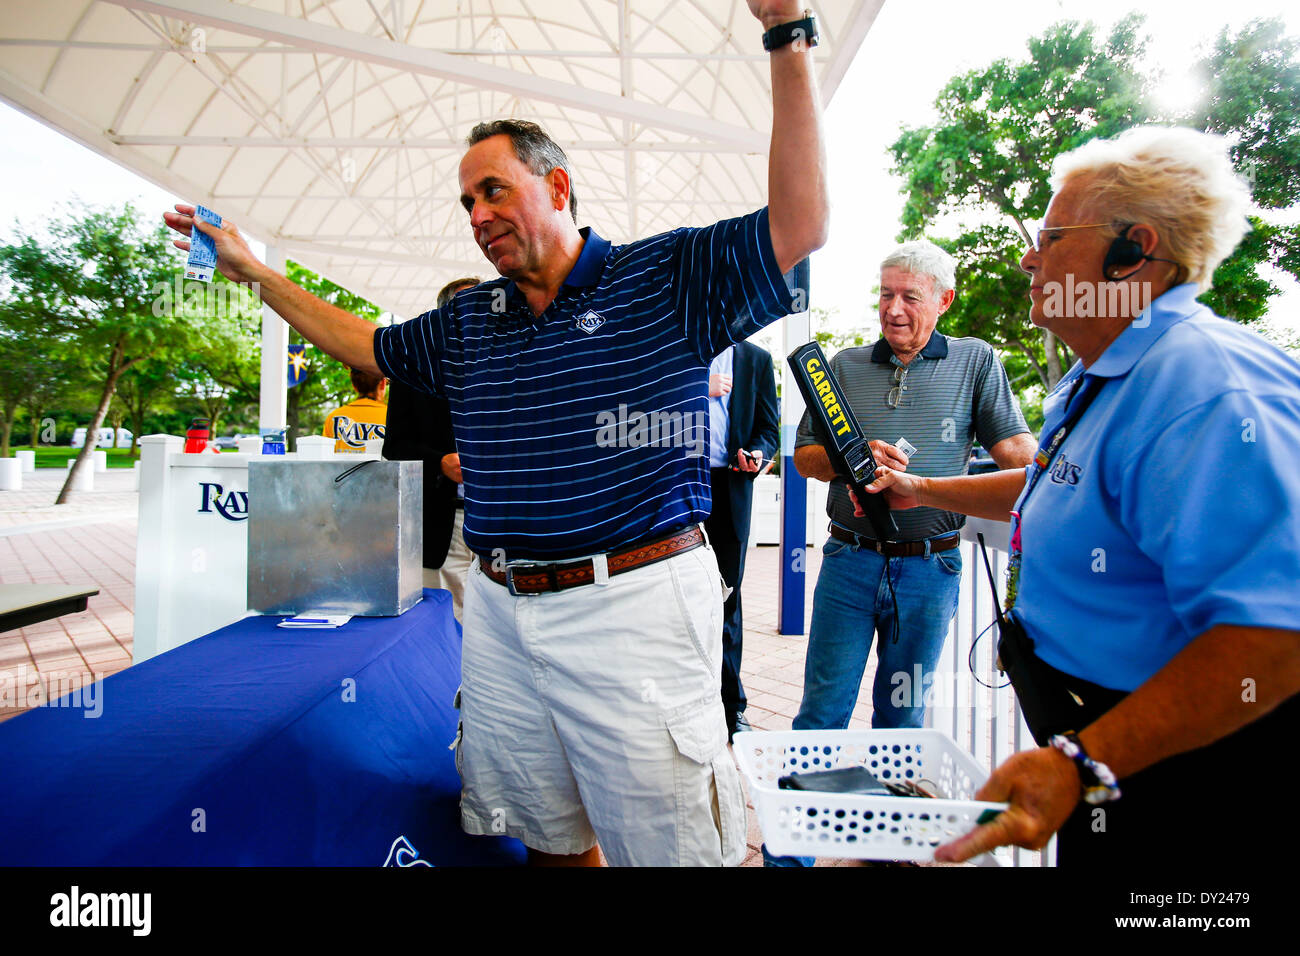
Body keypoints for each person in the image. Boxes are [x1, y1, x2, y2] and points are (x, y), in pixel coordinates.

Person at [163, 0, 828, 867]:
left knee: (667, 851)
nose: (476, 215)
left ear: (556, 186)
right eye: (466, 202)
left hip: (635, 609)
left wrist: (786, 33)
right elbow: (360, 340)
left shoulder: (666, 273)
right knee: (546, 837)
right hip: (505, 612)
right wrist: (255, 273)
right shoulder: (471, 319)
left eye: (493, 190)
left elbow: (801, 223)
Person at [861, 126, 1300, 867]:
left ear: (1134, 250)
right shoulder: (1107, 370)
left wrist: (1082, 762)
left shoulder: (1206, 388)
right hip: (1109, 758)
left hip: (1174, 767)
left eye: (1051, 235)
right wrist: (922, 488)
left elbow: (1277, 638)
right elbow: (1047, 485)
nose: (1030, 257)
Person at [764, 240, 1035, 866]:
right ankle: (789, 856)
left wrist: (1060, 468)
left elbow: (1015, 451)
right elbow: (803, 457)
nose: (893, 309)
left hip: (931, 565)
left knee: (901, 717)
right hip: (849, 560)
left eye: (910, 297)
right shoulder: (843, 365)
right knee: (820, 715)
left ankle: (883, 853)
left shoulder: (976, 361)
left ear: (944, 299)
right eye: (885, 294)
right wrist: (853, 459)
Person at [382, 276, 481, 620]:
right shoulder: (411, 372)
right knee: (449, 616)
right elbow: (394, 448)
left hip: (502, 520)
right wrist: (440, 462)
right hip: (444, 519)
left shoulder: (508, 367)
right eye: (469, 307)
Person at [702, 340, 779, 741]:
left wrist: (758, 454)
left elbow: (769, 428)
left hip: (731, 488)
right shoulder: (680, 345)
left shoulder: (757, 360)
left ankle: (732, 708)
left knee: (728, 598)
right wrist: (701, 386)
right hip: (680, 492)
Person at [321, 368, 387, 452]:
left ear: (354, 385)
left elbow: (325, 454)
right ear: (383, 383)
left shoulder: (333, 417)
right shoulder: (392, 416)